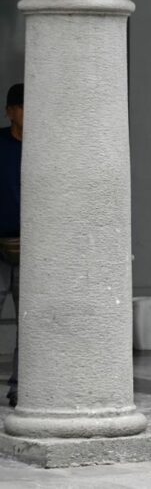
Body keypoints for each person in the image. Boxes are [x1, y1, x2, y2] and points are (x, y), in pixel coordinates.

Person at [0, 83, 23, 407]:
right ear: (9, 111)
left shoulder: (45, 146)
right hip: (0, 243)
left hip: (33, 247)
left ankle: (20, 386)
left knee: (28, 321)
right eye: (22, 106)